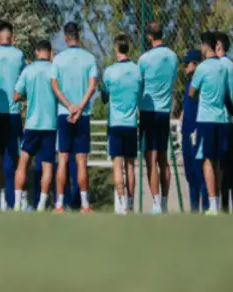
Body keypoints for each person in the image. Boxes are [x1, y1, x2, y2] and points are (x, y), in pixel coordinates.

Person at [50, 22, 97, 213]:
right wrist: (79, 107)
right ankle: (85, 205)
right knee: (81, 160)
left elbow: (54, 86)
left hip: (64, 114)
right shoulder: (89, 58)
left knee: (62, 159)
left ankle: (59, 204)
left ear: (65, 37)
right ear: (79, 36)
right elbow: (92, 86)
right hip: (82, 115)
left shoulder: (59, 59)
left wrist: (69, 106)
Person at [189, 31, 233, 216]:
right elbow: (228, 93)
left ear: (205, 46)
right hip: (221, 119)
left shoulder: (203, 68)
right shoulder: (224, 66)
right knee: (216, 161)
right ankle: (218, 202)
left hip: (206, 119)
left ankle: (213, 205)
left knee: (207, 161)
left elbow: (192, 92)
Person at [138, 22, 178, 214]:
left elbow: (139, 85)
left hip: (148, 111)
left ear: (149, 37)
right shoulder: (173, 57)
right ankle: (163, 202)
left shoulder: (144, 59)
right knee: (164, 158)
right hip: (164, 112)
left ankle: (155, 203)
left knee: (150, 158)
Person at [13, 39, 57, 212]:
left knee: (23, 163)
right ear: (49, 51)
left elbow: (16, 95)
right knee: (47, 165)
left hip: (32, 124)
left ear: (37, 52)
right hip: (50, 124)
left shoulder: (28, 70)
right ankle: (41, 205)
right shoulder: (54, 70)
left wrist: (29, 95)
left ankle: (17, 203)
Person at [0, 21, 25, 211]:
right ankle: (21, 200)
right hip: (14, 114)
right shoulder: (19, 55)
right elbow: (23, 85)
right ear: (12, 37)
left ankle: (1, 200)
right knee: (19, 158)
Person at [100, 35, 141, 215]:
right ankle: (130, 205)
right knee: (130, 166)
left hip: (115, 124)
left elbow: (104, 97)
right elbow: (140, 94)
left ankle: (121, 203)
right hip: (131, 123)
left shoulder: (109, 72)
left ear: (116, 49)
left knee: (117, 165)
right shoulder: (137, 71)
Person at [180, 49, 208, 213]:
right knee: (190, 173)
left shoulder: (201, 83)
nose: (185, 68)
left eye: (187, 64)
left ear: (195, 64)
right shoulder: (188, 84)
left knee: (199, 172)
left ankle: (204, 208)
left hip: (197, 131)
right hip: (186, 131)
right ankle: (193, 209)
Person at [216, 32, 233, 213]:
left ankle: (223, 206)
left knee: (222, 166)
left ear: (218, 46)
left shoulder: (220, 66)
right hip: (230, 121)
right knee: (231, 166)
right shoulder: (232, 66)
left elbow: (224, 94)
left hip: (222, 119)